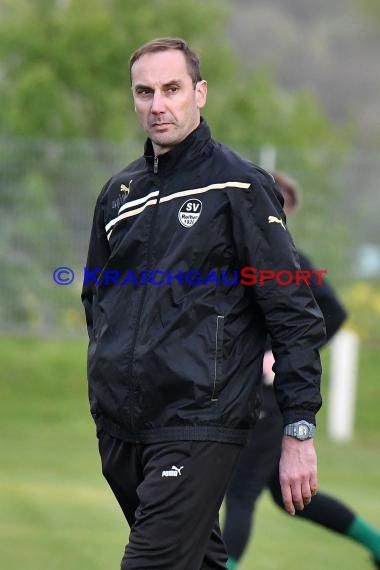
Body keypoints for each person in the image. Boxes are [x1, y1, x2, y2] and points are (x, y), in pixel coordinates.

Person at [81, 38, 326, 570]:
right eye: (145, 92)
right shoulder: (117, 194)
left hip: (200, 418)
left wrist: (299, 426)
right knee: (200, 562)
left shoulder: (240, 186)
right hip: (121, 426)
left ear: (200, 93)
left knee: (152, 563)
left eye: (171, 89)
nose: (157, 104)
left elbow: (293, 312)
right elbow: (95, 300)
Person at [223, 171, 380, 570]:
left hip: (270, 396)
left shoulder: (288, 260)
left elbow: (334, 312)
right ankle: (377, 544)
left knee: (240, 491)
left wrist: (280, 353)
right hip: (240, 391)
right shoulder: (236, 256)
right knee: (286, 493)